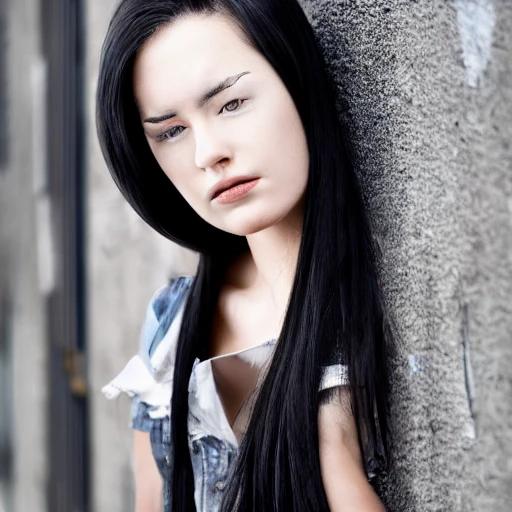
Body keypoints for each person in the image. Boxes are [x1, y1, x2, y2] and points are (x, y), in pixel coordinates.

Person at [97, 0, 392, 510]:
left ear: (295, 78)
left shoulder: (381, 307)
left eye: (230, 103)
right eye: (170, 131)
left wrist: (330, 450)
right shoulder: (172, 324)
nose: (206, 153)